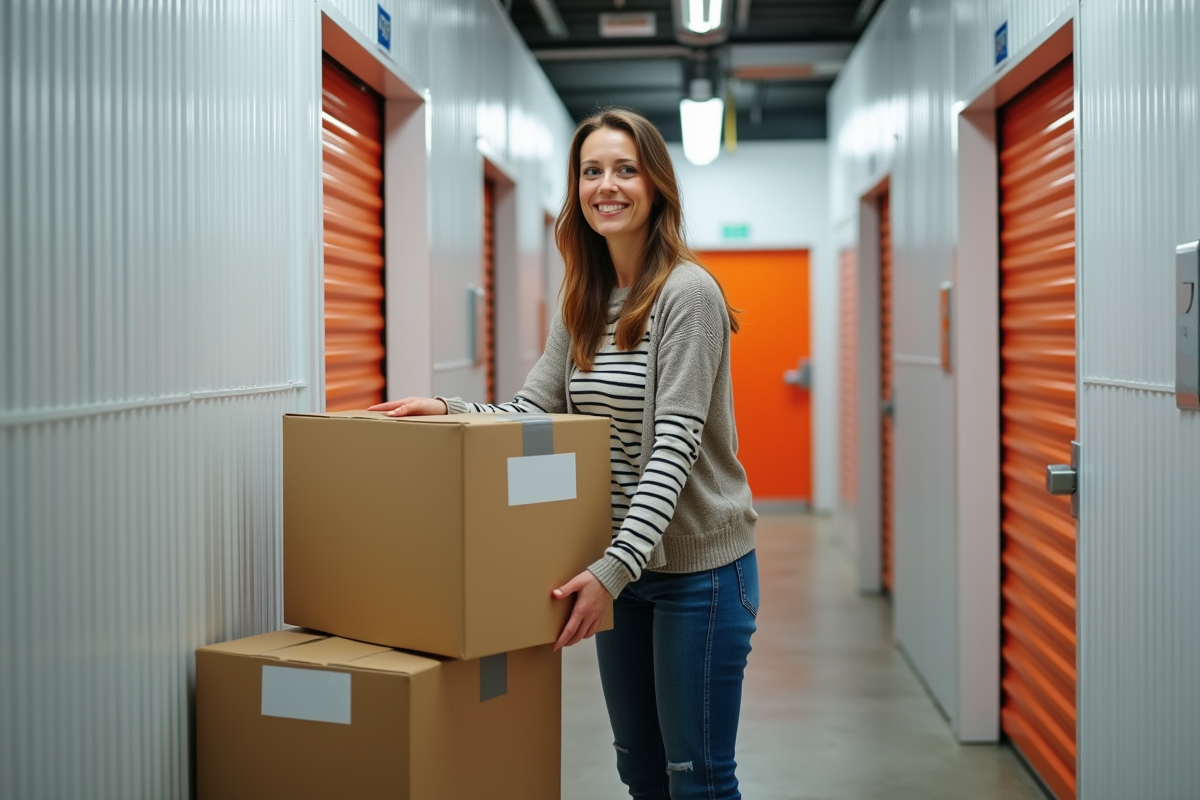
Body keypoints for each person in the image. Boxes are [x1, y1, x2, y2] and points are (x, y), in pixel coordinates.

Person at [369, 108, 758, 800]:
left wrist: (608, 571)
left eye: (625, 169)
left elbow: (674, 447)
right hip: (624, 570)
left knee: (696, 778)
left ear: (657, 186)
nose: (606, 186)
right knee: (639, 769)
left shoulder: (688, 295)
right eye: (591, 171)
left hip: (698, 574)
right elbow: (531, 413)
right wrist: (449, 409)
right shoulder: (583, 298)